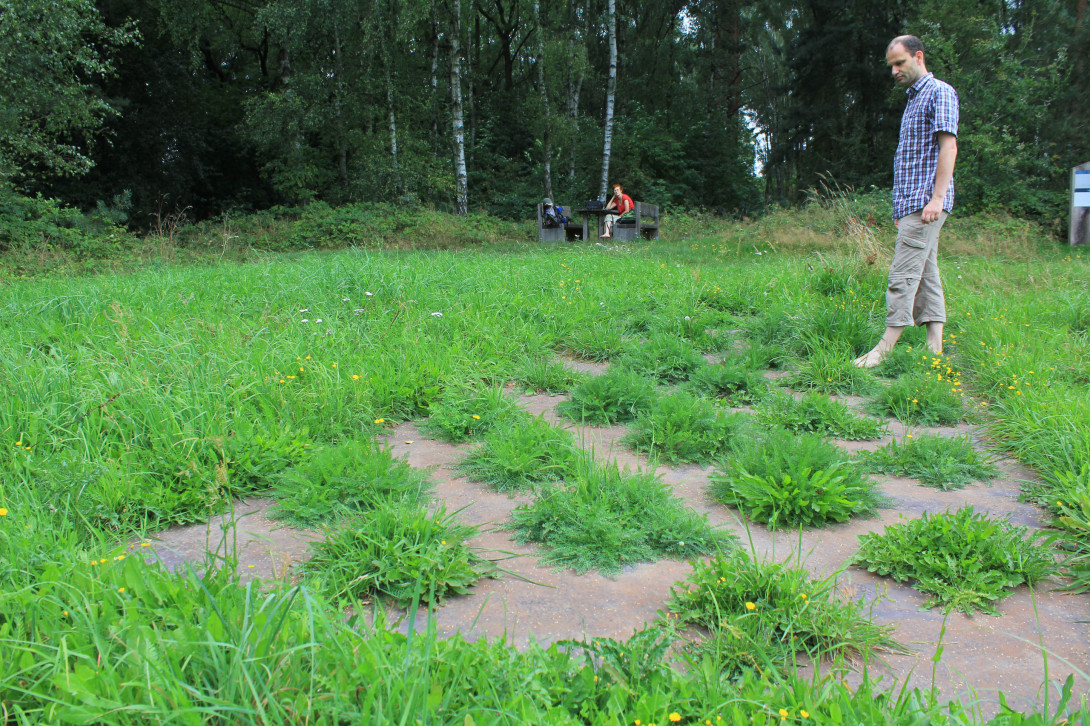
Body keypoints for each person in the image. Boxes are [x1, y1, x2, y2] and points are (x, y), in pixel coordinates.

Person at [854, 35, 959, 368]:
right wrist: (901, 209)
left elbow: (948, 147)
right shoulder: (914, 99)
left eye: (900, 63)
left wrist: (937, 199)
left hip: (927, 203)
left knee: (902, 275)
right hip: (913, 204)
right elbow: (912, 159)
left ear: (919, 57)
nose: (894, 71)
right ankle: (934, 349)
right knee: (926, 274)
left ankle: (883, 351)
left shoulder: (939, 92)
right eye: (891, 66)